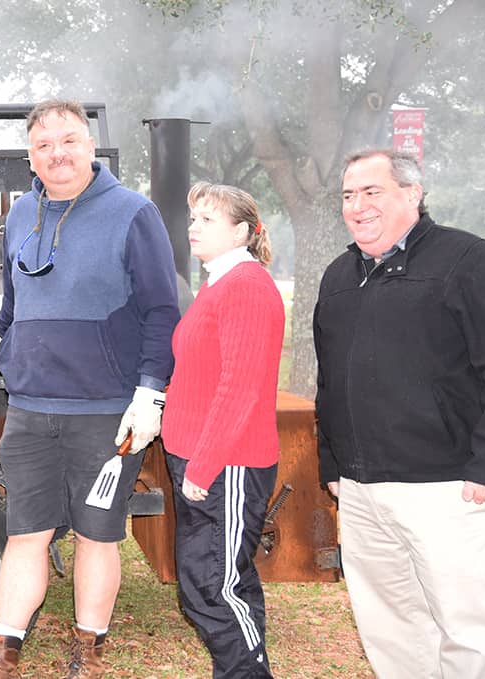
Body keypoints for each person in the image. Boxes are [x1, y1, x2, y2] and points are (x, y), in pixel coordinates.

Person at [0, 100, 179, 679]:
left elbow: (162, 310)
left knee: (96, 535)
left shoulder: (133, 213)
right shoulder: (20, 213)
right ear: (30, 157)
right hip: (31, 408)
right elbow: (14, 296)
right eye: (43, 145)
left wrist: (150, 393)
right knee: (25, 534)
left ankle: (87, 655)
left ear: (91, 147)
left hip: (105, 411)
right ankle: (3, 655)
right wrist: (4, 337)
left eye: (68, 141)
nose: (57, 153)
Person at [314, 149, 485, 677]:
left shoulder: (469, 260)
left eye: (372, 192)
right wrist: (333, 466)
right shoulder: (338, 275)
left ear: (412, 194)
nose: (357, 206)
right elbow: (329, 381)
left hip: (451, 488)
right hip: (360, 490)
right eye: (349, 196)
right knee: (390, 628)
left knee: (472, 629)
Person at [161, 183, 283, 678]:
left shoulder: (246, 287)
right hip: (200, 459)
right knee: (221, 580)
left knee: (214, 587)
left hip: (225, 465)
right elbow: (202, 372)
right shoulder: (219, 281)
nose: (193, 227)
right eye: (193, 218)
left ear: (241, 231)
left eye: (207, 220)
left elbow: (240, 387)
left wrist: (204, 465)